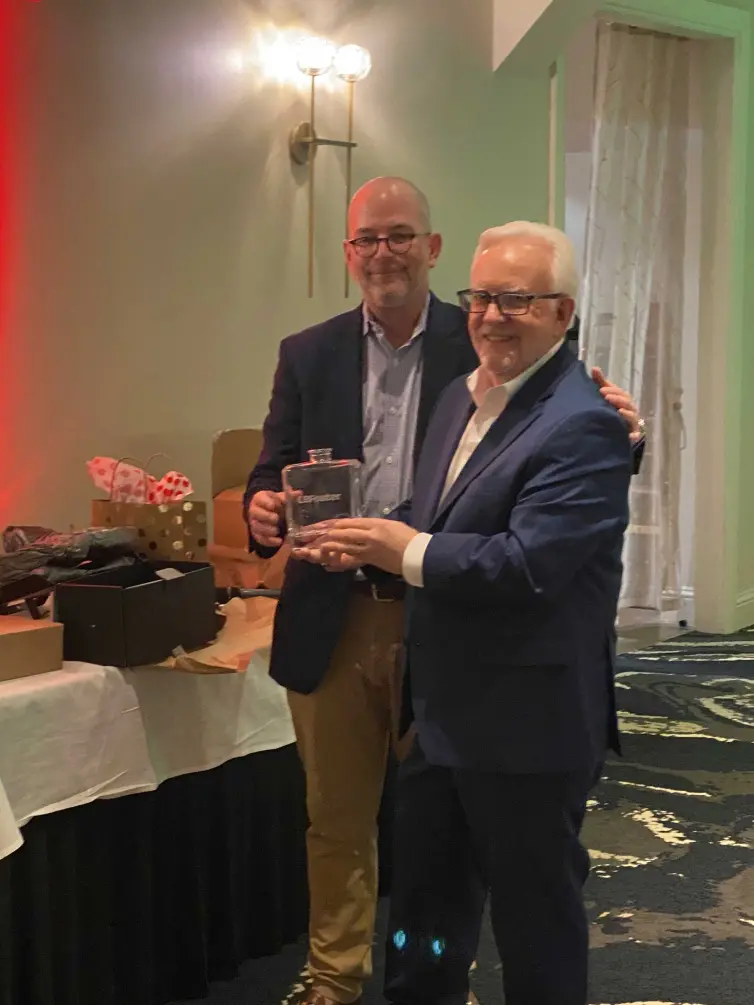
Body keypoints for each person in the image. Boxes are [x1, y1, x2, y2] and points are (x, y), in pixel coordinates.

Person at [244, 183, 641, 1005]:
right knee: (424, 914)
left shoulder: (581, 416)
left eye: (516, 300)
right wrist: (321, 524)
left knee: (535, 920)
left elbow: (533, 559)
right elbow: (426, 506)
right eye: (485, 297)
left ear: (563, 313)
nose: (494, 315)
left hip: (524, 717)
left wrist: (403, 546)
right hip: (441, 707)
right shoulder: (467, 400)